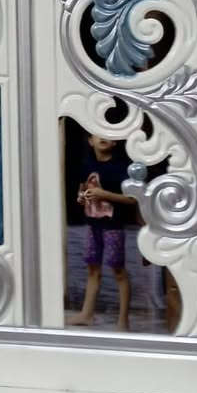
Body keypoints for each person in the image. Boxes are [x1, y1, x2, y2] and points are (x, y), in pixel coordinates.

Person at [67, 133, 138, 330]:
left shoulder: (122, 167)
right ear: (90, 141)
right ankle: (86, 314)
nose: (102, 137)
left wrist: (104, 194)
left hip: (113, 226)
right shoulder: (86, 166)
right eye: (96, 135)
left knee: (118, 270)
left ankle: (123, 320)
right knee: (92, 268)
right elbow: (82, 191)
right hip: (93, 226)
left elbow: (132, 199)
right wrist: (81, 198)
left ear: (114, 141)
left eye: (107, 135)